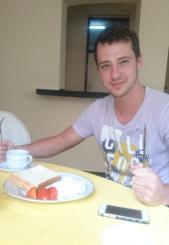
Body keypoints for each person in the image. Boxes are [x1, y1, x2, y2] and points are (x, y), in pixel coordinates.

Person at [1, 26, 169, 206]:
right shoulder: (98, 110)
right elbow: (60, 141)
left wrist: (163, 194)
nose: (115, 74)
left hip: (157, 210)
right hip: (111, 204)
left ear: (139, 61)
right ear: (99, 71)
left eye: (123, 61)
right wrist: (15, 150)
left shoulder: (163, 110)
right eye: (106, 65)